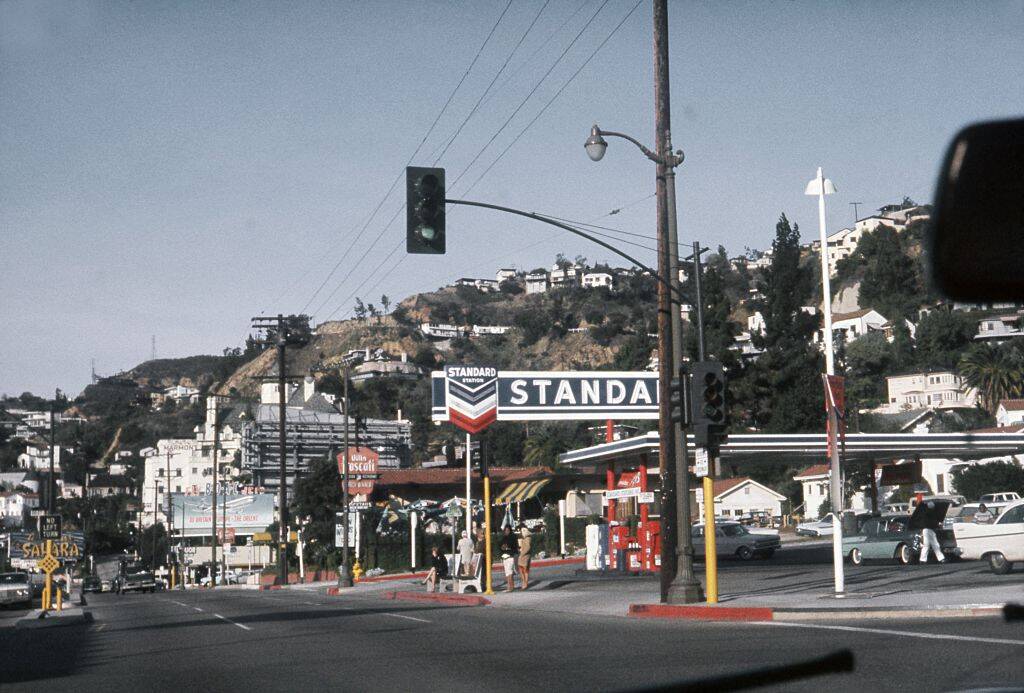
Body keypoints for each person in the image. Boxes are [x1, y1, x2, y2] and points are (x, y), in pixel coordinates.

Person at [498, 526, 519, 592]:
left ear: (510, 530)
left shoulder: (513, 537)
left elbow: (515, 546)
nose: (507, 531)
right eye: (505, 530)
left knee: (510, 571)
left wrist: (507, 546)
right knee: (507, 572)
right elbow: (500, 546)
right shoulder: (503, 538)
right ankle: (509, 586)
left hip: (511, 556)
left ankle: (511, 587)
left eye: (508, 530)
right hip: (505, 556)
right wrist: (502, 547)